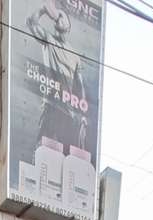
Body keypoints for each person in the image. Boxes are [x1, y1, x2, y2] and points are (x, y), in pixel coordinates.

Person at [27, 1, 88, 153]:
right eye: (58, 15)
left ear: (69, 26)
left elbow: (80, 86)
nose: (59, 17)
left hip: (68, 111)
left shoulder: (75, 55)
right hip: (51, 104)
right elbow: (31, 23)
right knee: (42, 148)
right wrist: (43, 10)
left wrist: (82, 113)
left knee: (65, 155)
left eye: (63, 16)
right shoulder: (49, 39)